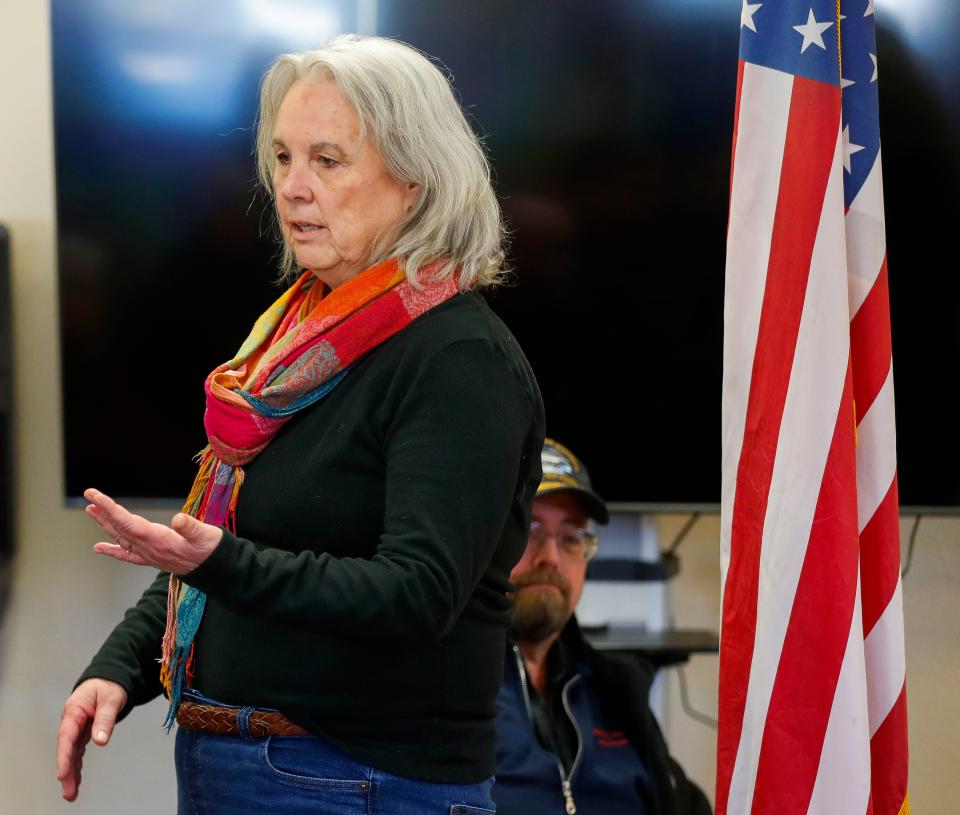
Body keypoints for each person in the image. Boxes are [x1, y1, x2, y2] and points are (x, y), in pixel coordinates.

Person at [56, 35, 544, 815]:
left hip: (358, 779)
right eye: (282, 158)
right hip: (246, 763)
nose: (291, 188)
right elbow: (219, 550)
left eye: (327, 160)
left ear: (415, 180)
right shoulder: (296, 343)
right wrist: (116, 668)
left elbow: (415, 594)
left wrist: (222, 562)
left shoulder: (456, 357)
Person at [493, 439, 711, 814]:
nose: (550, 557)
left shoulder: (617, 690)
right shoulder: (438, 685)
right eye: (529, 529)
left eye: (571, 538)